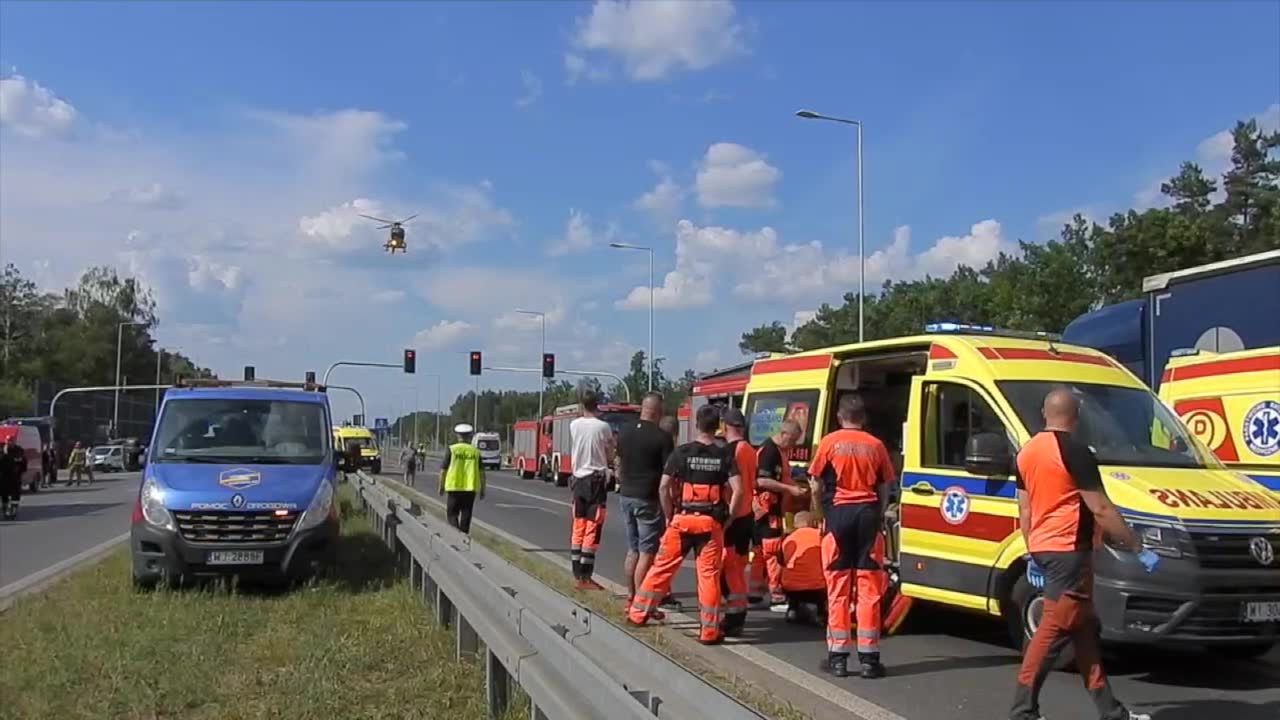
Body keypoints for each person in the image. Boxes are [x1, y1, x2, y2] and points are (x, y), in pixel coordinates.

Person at [1009, 389, 1155, 720]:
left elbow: (1025, 508)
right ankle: (1022, 712)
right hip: (1069, 552)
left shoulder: (1025, 453)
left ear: (1045, 414)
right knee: (1052, 631)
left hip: (1047, 548)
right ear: (1075, 418)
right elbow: (1100, 508)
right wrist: (1135, 545)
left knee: (1084, 630)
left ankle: (1111, 712)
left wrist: (1034, 550)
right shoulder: (1076, 452)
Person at [627, 404, 743, 645]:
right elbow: (739, 490)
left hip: (682, 520)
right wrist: (728, 517)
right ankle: (709, 631)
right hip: (710, 523)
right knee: (708, 576)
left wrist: (669, 514)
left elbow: (663, 486)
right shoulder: (724, 455)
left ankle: (638, 614)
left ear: (697, 425)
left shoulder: (681, 453)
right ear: (718, 427)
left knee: (661, 569)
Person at [811, 393, 894, 679]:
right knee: (869, 589)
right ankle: (869, 659)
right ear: (864, 418)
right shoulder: (876, 446)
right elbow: (884, 487)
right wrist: (878, 513)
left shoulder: (829, 443)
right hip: (868, 516)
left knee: (838, 589)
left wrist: (821, 514)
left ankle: (838, 658)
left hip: (838, 517)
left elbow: (816, 484)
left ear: (839, 416)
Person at [616, 392, 674, 615]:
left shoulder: (625, 432)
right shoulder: (662, 438)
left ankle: (631, 597)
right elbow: (668, 475)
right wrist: (667, 505)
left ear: (642, 409)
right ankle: (642, 605)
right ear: (658, 412)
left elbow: (618, 462)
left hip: (626, 496)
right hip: (647, 498)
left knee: (632, 550)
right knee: (646, 553)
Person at [751, 419, 807, 609]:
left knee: (760, 551)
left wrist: (792, 486)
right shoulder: (769, 451)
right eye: (791, 441)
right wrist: (789, 490)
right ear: (783, 434)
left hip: (767, 508)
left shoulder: (778, 451)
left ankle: (755, 591)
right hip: (767, 508)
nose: (792, 446)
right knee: (772, 550)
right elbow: (762, 481)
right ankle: (776, 594)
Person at [569, 389, 615, 590]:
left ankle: (576, 571)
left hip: (578, 479)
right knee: (593, 526)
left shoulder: (574, 425)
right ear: (598, 405)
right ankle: (586, 576)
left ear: (581, 405)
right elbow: (610, 449)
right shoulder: (603, 427)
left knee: (578, 524)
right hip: (596, 479)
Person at [719, 408, 757, 636]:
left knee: (728, 567)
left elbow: (733, 487)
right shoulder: (750, 450)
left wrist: (727, 518)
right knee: (738, 566)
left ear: (725, 426)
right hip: (747, 516)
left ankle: (733, 616)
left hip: (733, 515)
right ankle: (737, 612)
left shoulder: (731, 451)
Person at [781, 511, 827, 626]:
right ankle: (821, 613)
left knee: (790, 575)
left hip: (790, 588)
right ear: (813, 522)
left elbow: (781, 562)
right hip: (817, 589)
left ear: (795, 524)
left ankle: (792, 609)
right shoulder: (821, 536)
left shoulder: (788, 540)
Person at [439, 423, 485, 534]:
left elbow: (443, 470)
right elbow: (482, 473)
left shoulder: (452, 450)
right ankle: (463, 536)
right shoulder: (475, 452)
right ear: (470, 436)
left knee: (452, 514)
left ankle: (455, 535)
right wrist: (483, 489)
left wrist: (441, 486)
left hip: (454, 487)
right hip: (470, 488)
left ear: (458, 436)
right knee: (466, 514)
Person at [1, 435, 27, 520]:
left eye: (11, 441)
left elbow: (23, 462)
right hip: (4, 476)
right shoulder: (2, 450)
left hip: (15, 476)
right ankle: (5, 511)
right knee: (4, 494)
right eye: (8, 441)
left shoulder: (19, 450)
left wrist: (20, 471)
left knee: (15, 494)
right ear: (6, 441)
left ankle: (14, 510)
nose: (10, 442)